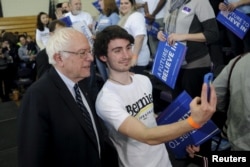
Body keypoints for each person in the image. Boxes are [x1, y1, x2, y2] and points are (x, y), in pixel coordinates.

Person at [93, 25, 217, 167]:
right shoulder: (106, 100)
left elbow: (150, 118)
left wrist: (185, 138)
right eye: (117, 51)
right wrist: (193, 122)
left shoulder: (143, 80)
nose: (126, 55)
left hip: (163, 159)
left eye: (128, 47)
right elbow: (146, 135)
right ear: (103, 57)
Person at [18, 27, 118, 167]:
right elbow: (31, 158)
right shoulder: (38, 96)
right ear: (59, 58)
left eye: (89, 51)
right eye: (82, 53)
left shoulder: (81, 82)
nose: (90, 58)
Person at [157, 0, 219, 99]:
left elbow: (213, 34)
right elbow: (166, 25)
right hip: (173, 64)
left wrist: (183, 36)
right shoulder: (170, 2)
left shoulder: (201, 2)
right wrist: (161, 32)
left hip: (194, 63)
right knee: (177, 104)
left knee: (191, 107)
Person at [118, 0, 151, 75]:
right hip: (129, 58)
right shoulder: (126, 17)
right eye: (121, 3)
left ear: (132, 5)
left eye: (126, 3)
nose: (123, 5)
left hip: (137, 60)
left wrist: (134, 57)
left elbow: (139, 37)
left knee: (136, 84)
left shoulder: (136, 16)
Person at [94, 0, 120, 81]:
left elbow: (116, 33)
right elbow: (97, 30)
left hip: (108, 50)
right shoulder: (101, 16)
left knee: (112, 77)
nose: (98, 3)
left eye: (101, 1)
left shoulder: (114, 16)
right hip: (99, 49)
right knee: (105, 78)